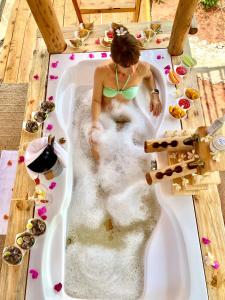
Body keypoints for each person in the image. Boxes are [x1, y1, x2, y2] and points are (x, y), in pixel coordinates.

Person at [90, 24, 162, 160]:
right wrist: (95, 124)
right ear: (114, 59)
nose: (133, 70)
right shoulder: (102, 71)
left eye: (135, 62)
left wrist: (155, 94)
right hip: (105, 117)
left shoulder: (142, 68)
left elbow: (150, 76)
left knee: (141, 154)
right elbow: (96, 100)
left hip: (129, 116)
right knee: (97, 154)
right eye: (126, 66)